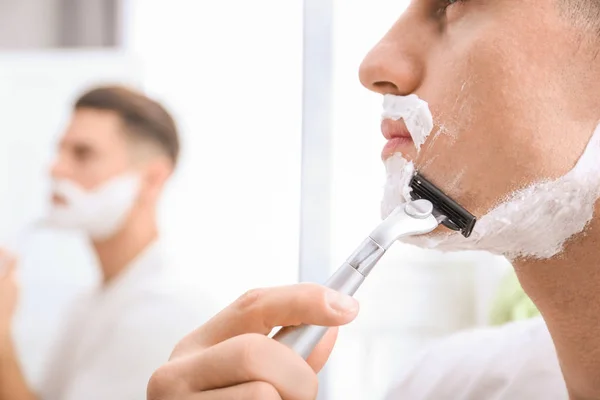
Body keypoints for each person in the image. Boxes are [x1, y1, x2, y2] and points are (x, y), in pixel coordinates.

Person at [0, 85, 212, 400]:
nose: (55, 168)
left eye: (82, 153)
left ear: (152, 180)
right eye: (60, 150)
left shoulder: (162, 309)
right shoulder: (90, 303)